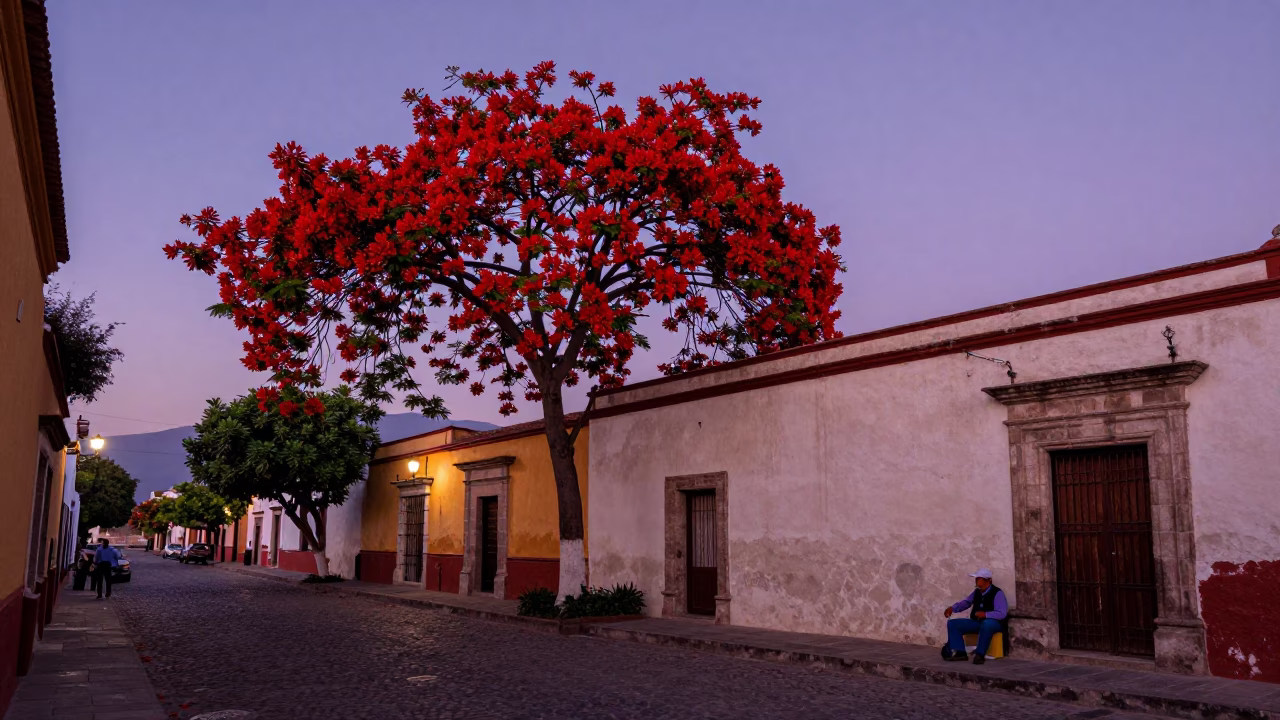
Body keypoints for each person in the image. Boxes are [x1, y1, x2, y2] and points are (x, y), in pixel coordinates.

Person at [942, 568, 1008, 664]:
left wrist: (985, 614)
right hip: (978, 622)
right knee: (953, 624)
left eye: (979, 579)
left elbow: (1002, 613)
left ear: (988, 580)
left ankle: (980, 654)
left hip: (994, 624)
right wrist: (952, 608)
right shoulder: (977, 592)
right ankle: (960, 653)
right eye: (977, 579)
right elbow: (966, 602)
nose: (977, 581)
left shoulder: (997, 593)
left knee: (987, 623)